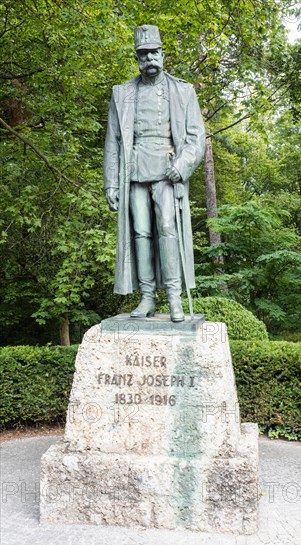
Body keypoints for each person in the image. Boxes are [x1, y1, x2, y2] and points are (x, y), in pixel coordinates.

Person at [103, 25, 205, 322]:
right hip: (133, 171)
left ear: (163, 54)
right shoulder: (121, 94)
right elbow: (113, 141)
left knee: (167, 229)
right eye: (143, 54)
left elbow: (196, 137)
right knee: (141, 233)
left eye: (153, 53)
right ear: (137, 58)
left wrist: (181, 166)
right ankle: (147, 297)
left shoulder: (183, 91)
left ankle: (174, 296)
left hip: (167, 171)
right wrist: (111, 183)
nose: (149, 58)